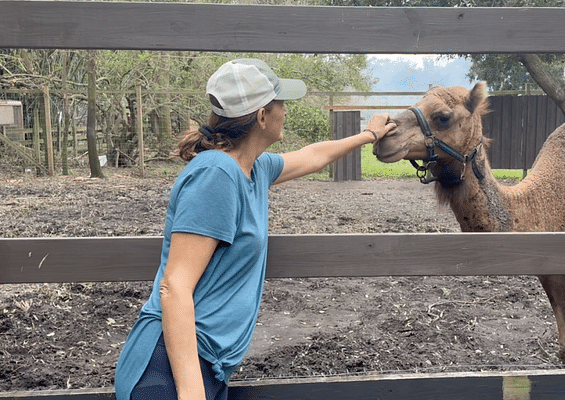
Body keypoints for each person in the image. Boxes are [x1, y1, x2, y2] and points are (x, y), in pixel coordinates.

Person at [114, 58, 395, 400]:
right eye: (281, 104)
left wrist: (370, 135)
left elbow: (312, 157)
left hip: (202, 365)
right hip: (169, 370)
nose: (286, 112)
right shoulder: (216, 174)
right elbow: (175, 286)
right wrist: (192, 393)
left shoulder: (253, 168)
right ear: (262, 116)